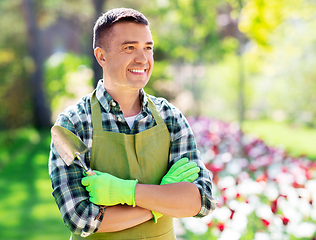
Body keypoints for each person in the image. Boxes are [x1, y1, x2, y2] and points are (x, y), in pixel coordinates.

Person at [48, 7, 217, 239]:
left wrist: (126, 192)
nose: (143, 58)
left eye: (148, 48)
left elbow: (202, 201)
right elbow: (81, 218)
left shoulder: (170, 118)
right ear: (101, 57)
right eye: (129, 48)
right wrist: (162, 201)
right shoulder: (75, 123)